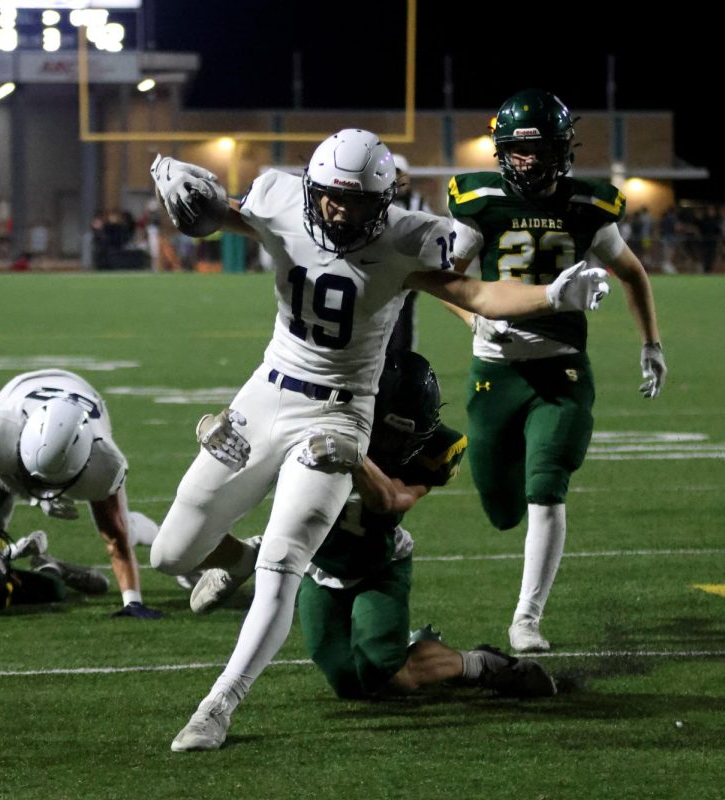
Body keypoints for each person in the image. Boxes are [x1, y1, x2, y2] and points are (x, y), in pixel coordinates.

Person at [147, 127, 609, 752]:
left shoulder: (405, 238)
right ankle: (232, 557)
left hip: (338, 414)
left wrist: (550, 293)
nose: (340, 210)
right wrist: (181, 190)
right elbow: (222, 218)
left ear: (383, 200)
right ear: (313, 189)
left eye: (358, 200)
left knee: (285, 562)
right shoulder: (281, 199)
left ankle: (219, 702)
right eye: (332, 196)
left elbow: (476, 292)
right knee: (171, 555)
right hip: (266, 392)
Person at [189, 351, 558, 701]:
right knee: (350, 685)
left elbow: (392, 501)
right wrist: (214, 434)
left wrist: (356, 460)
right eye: (395, 432)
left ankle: (482, 664)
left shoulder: (436, 448)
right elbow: (254, 450)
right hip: (319, 566)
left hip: (378, 564)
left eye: (414, 432)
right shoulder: (321, 420)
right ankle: (253, 553)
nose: (405, 443)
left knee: (385, 674)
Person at [445, 89, 667, 654]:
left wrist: (652, 343)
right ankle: (518, 529)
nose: (526, 162)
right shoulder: (481, 201)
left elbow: (632, 272)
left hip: (562, 371)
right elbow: (442, 278)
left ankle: (526, 618)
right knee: (500, 510)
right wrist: (475, 320)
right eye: (517, 152)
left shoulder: (589, 206)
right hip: (495, 372)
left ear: (562, 148)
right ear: (501, 152)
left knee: (546, 487)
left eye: (538, 150)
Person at [0, 369, 164, 619]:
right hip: (19, 392)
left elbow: (115, 536)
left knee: (123, 523)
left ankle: (163, 538)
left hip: (79, 403)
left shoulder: (102, 464)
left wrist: (132, 600)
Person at [386, 154, 432, 357]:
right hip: (380, 271)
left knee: (403, 324)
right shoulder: (378, 201)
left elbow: (432, 231)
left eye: (400, 174)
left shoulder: (418, 202)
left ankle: (403, 364)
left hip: (408, 271)